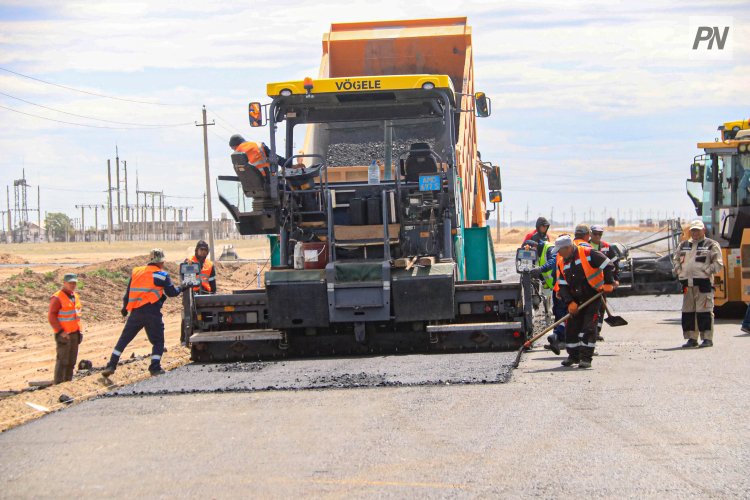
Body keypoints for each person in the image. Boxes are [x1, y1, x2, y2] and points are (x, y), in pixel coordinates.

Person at [102, 249, 188, 377]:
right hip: (152, 312)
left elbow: (128, 293)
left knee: (124, 340)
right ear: (162, 261)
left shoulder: (136, 272)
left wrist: (125, 308)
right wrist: (183, 286)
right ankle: (155, 367)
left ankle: (111, 365)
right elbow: (172, 293)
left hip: (135, 312)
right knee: (158, 341)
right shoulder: (162, 275)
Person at [554, 235, 616, 368]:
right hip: (575, 299)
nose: (558, 253)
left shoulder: (588, 253)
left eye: (560, 250)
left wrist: (609, 283)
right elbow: (563, 285)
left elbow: (608, 265)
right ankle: (573, 356)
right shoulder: (562, 261)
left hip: (592, 296)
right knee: (571, 327)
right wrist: (570, 302)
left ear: (568, 248)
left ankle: (586, 358)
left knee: (588, 327)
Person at [673, 220, 723, 348]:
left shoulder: (711, 244)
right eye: (693, 230)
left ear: (703, 230)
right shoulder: (683, 244)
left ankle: (707, 338)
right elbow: (676, 259)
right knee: (688, 312)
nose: (695, 232)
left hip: (703, 283)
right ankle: (691, 339)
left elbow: (718, 263)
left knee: (704, 311)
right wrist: (679, 271)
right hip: (687, 285)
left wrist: (706, 271)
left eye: (697, 230)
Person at [528, 238, 567, 355]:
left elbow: (552, 262)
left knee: (562, 313)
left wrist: (540, 269)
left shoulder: (549, 248)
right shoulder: (539, 253)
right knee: (558, 312)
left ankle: (560, 337)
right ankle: (556, 338)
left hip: (562, 286)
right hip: (555, 287)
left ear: (535, 247)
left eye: (531, 250)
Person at [48, 273, 82, 384]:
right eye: (70, 283)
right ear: (64, 283)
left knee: (71, 361)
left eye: (74, 283)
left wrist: (79, 331)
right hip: (64, 335)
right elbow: (51, 316)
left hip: (74, 333)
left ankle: (68, 383)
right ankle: (59, 385)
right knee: (63, 361)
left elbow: (77, 315)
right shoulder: (57, 297)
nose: (73, 285)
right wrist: (60, 331)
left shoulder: (75, 296)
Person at [589, 224, 620, 341]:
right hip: (589, 284)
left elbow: (615, 265)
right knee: (591, 308)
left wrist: (615, 279)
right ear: (590, 234)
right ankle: (591, 330)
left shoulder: (607, 247)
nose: (597, 236)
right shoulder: (586, 247)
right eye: (595, 233)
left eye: (600, 234)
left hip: (603, 283)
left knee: (601, 307)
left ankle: (597, 331)